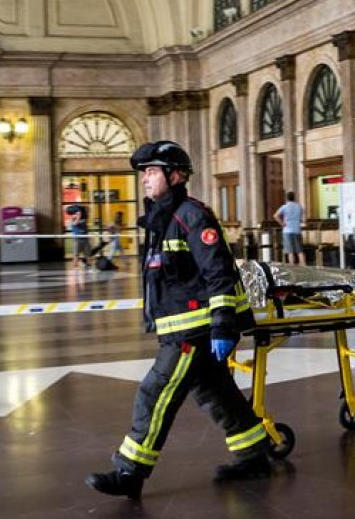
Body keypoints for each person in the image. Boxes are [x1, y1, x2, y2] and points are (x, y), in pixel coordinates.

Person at [87, 141, 270, 499]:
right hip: (181, 325)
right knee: (216, 392)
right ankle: (254, 454)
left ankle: (129, 471)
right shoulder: (162, 219)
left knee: (155, 393)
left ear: (176, 176)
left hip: (194, 329)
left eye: (152, 172)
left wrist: (222, 324)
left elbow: (218, 271)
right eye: (143, 173)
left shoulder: (192, 216)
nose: (144, 179)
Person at [273, 191, 305, 265]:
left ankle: (292, 266)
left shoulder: (285, 207)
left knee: (290, 251)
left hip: (287, 230)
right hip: (297, 230)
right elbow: (301, 218)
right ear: (294, 198)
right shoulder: (299, 207)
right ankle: (304, 266)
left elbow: (275, 216)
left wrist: (282, 223)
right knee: (300, 251)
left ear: (286, 198)